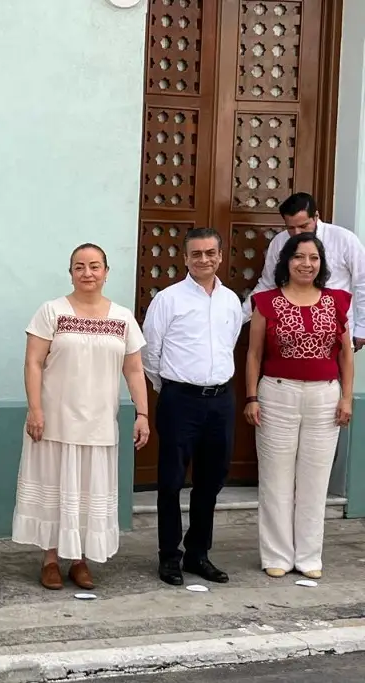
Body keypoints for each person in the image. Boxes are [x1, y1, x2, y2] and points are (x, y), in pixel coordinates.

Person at [12, 243, 149, 590]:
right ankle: (51, 559)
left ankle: (81, 560)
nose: (87, 273)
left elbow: (133, 369)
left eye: (94, 266)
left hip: (99, 423)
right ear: (70, 272)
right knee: (56, 489)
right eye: (79, 267)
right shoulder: (51, 311)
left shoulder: (121, 318)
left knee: (87, 492)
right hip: (55, 420)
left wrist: (143, 413)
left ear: (106, 271)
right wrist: (35, 409)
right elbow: (33, 362)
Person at [244, 232, 353, 579]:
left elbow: (347, 354)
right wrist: (251, 397)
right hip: (277, 394)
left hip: (325, 396)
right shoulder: (266, 301)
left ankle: (309, 557)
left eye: (313, 258)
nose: (306, 264)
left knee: (315, 479)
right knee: (276, 477)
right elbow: (254, 354)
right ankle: (276, 554)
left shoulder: (337, 300)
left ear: (321, 264)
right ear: (286, 261)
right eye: (299, 257)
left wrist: (347, 397)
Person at [142, 227, 243, 586]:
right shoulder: (168, 299)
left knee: (211, 481)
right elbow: (150, 353)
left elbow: (230, 343)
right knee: (170, 481)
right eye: (196, 254)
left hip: (220, 401)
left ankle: (198, 553)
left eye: (210, 253)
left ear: (220, 255)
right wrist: (169, 388)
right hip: (179, 400)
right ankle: (169, 555)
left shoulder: (231, 300)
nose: (204, 259)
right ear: (185, 258)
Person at [242, 192, 365, 351]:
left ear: (316, 216)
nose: (297, 233)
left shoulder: (344, 239)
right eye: (291, 228)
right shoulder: (279, 242)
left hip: (337, 328)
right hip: (291, 331)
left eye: (303, 226)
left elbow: (362, 281)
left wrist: (362, 327)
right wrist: (239, 318)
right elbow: (266, 285)